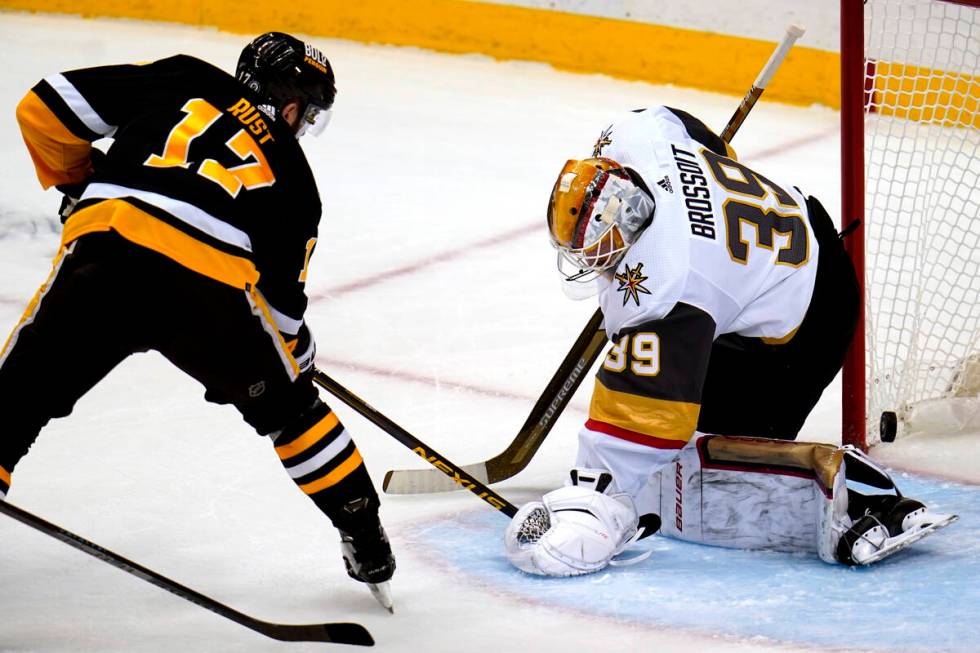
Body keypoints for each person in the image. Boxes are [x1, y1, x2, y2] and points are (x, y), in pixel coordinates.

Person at [1, 32, 395, 606]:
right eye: (307, 116)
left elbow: (44, 109)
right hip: (204, 294)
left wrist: (80, 184)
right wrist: (296, 366)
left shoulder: (185, 77)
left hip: (106, 255)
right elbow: (281, 318)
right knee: (293, 415)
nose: (304, 129)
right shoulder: (296, 181)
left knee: (16, 397)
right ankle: (367, 539)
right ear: (289, 107)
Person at [504, 105, 955, 575]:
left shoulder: (669, 283)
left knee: (705, 452)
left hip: (808, 324)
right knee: (681, 435)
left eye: (597, 246)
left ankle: (866, 504)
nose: (592, 258)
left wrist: (590, 499)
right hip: (795, 238)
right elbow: (692, 129)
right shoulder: (639, 135)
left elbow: (639, 420)